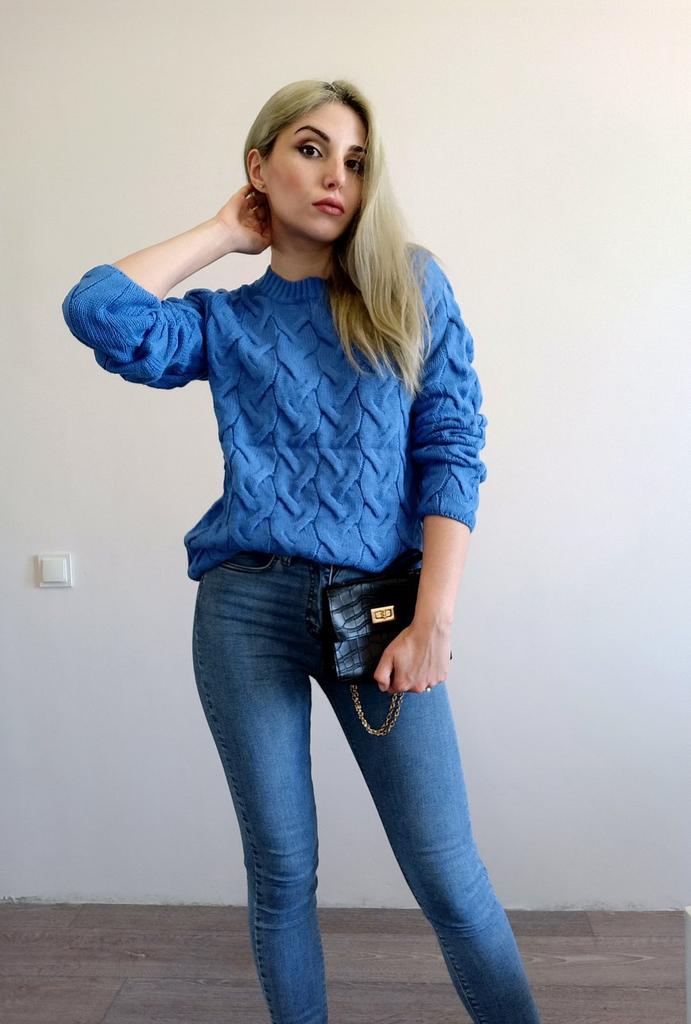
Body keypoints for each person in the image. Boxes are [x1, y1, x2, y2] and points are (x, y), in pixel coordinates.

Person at [62, 78, 542, 1024]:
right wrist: (220, 232)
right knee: (282, 873)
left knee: (447, 874)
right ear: (260, 166)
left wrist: (433, 617)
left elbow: (451, 446)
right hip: (245, 612)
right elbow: (96, 311)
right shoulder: (227, 322)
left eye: (355, 161)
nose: (335, 177)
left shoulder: (409, 286)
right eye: (311, 150)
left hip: (382, 610)